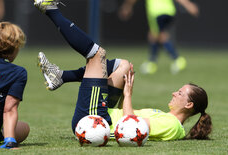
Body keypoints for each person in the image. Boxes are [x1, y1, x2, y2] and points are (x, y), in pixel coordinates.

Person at [34, 0, 212, 141]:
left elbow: (131, 127)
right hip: (105, 116)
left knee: (98, 55)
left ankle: (50, 9)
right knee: (124, 66)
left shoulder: (171, 125)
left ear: (189, 105)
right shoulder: (167, 119)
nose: (174, 93)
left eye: (180, 93)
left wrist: (127, 95)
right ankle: (61, 77)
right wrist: (123, 93)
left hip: (94, 121)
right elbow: (126, 117)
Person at [119, 0, 199, 74]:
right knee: (154, 35)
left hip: (157, 12)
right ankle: (152, 63)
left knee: (159, 35)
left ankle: (177, 60)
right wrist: (189, 5)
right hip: (170, 12)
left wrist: (127, 7)